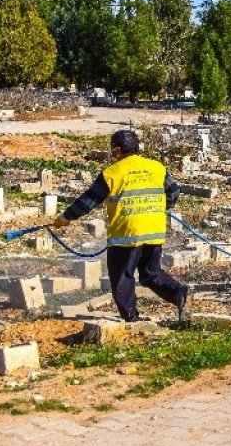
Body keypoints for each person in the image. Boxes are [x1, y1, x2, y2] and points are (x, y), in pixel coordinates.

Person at [53, 129, 189, 322]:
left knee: (122, 277)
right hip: (153, 230)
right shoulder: (156, 167)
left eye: (112, 149)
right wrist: (159, 206)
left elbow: (88, 201)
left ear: (117, 150)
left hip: (126, 235)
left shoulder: (112, 173)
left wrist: (65, 217)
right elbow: (174, 191)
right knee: (151, 273)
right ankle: (177, 292)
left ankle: (131, 317)